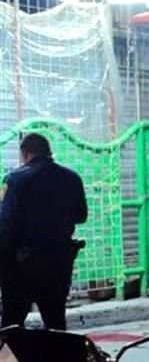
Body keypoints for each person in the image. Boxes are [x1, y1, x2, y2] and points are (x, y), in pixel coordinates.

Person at [0, 133, 87, 330]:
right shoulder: (72, 178)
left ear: (25, 153)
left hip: (22, 266)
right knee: (55, 322)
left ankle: (13, 361)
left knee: (11, 326)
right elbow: (81, 216)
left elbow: (5, 225)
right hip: (59, 262)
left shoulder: (14, 180)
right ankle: (59, 361)